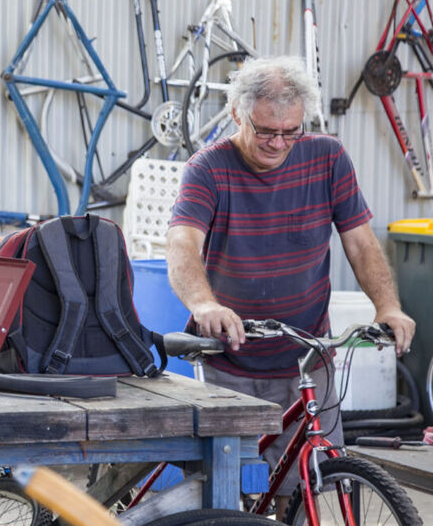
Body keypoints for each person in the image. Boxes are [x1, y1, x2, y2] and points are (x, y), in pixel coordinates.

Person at [166, 56, 416, 518]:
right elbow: (183, 241)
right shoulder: (209, 168)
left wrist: (388, 307)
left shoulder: (328, 158)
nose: (278, 143)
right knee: (227, 489)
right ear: (238, 115)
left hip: (306, 354)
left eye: (290, 131)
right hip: (231, 360)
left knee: (308, 480)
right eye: (265, 131)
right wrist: (204, 303)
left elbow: (360, 245)